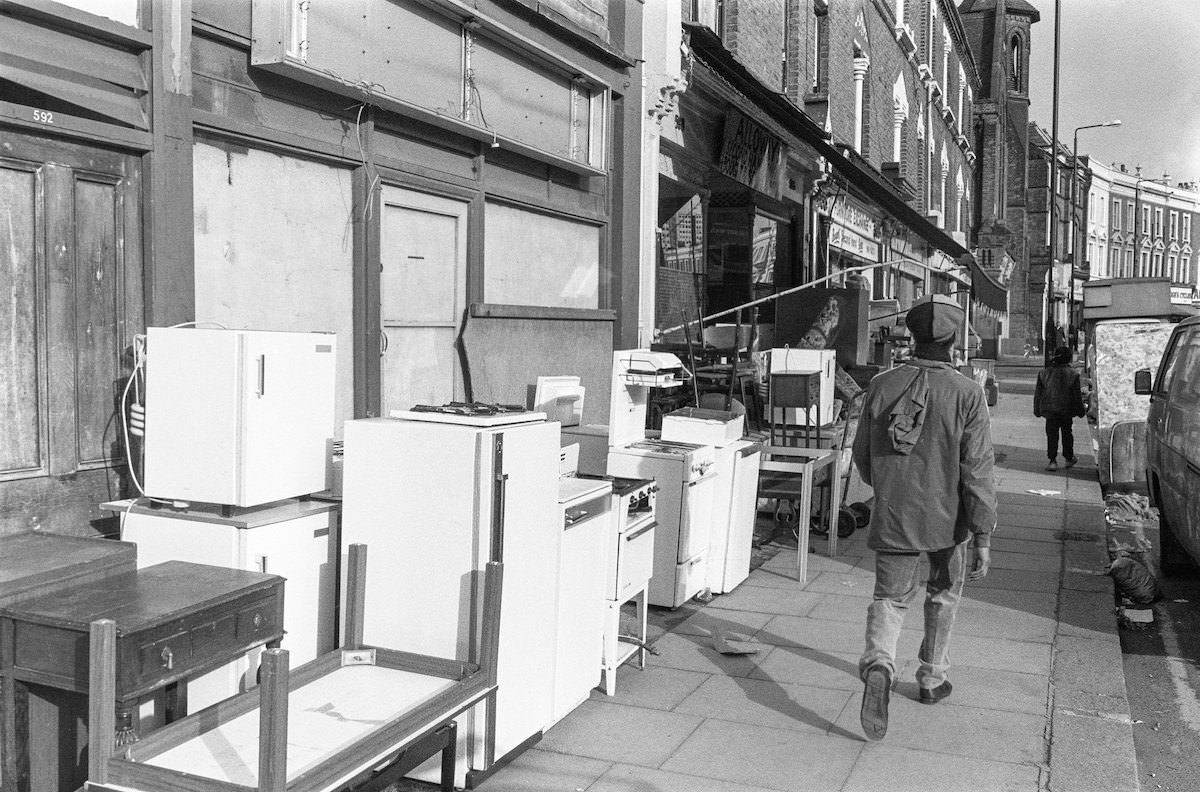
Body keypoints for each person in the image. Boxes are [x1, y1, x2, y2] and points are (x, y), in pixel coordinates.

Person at [852, 294, 996, 741]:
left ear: (910, 336)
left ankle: (879, 662)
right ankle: (931, 678)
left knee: (890, 598)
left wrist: (889, 488)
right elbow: (977, 469)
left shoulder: (881, 384)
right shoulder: (968, 393)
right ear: (953, 340)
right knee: (943, 594)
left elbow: (862, 456)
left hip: (895, 513)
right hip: (948, 518)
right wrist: (983, 532)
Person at [1033, 345, 1086, 471]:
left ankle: (1052, 460)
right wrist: (1080, 410)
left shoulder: (1044, 373)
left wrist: (1037, 409)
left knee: (1052, 435)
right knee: (1067, 433)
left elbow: (1038, 394)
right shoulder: (1073, 375)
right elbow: (1076, 395)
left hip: (1050, 410)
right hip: (1066, 410)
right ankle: (1068, 458)